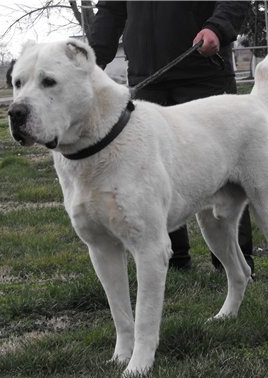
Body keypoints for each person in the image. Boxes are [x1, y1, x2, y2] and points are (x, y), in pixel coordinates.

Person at [89, 1, 254, 274]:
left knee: (222, 169)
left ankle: (235, 265)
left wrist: (217, 27)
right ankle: (173, 259)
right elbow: (111, 9)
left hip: (203, 68)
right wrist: (90, 63)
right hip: (147, 76)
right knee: (149, 176)